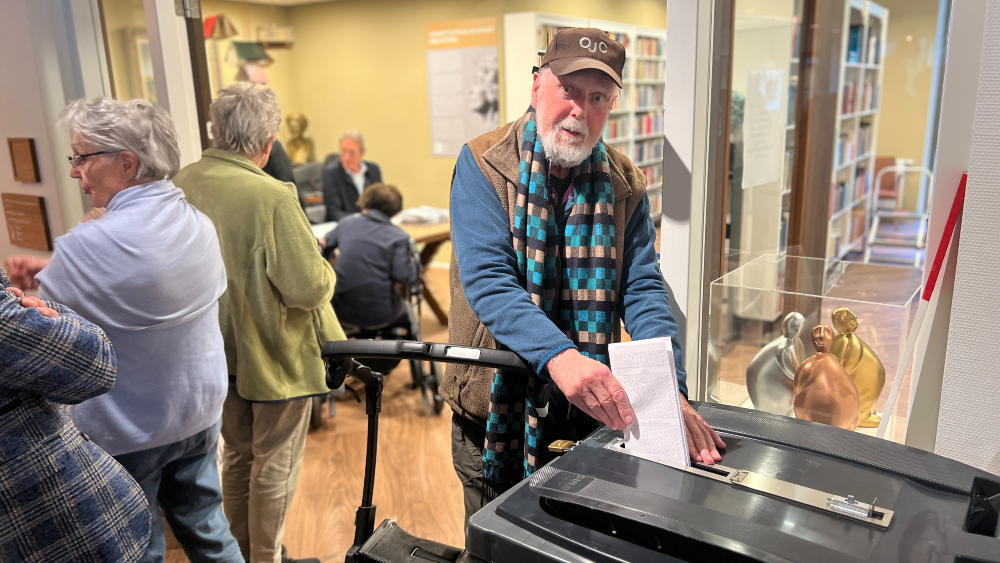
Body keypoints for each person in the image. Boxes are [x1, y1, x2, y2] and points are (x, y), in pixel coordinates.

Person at [445, 28, 726, 521]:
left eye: (598, 97)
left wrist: (668, 388)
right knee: (495, 538)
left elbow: (641, 287)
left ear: (613, 105)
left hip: (587, 414)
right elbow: (489, 279)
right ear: (537, 88)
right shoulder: (483, 163)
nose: (580, 110)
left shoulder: (625, 182)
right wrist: (561, 356)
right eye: (569, 90)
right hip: (493, 407)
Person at [5, 97, 242, 563]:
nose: (75, 172)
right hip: (198, 412)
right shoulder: (198, 225)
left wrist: (32, 291)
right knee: (210, 532)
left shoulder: (88, 244)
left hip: (130, 429)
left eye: (82, 157)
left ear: (127, 163)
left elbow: (49, 337)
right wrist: (56, 270)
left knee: (139, 546)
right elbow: (145, 280)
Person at [173, 83, 344, 563]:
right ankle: (265, 557)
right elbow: (307, 288)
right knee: (275, 462)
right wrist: (322, 263)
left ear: (217, 130)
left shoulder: (183, 182)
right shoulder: (271, 195)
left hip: (211, 349)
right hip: (274, 356)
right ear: (267, 141)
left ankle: (237, 554)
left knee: (238, 457)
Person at [0, 270, 151, 562]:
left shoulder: (78, 250)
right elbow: (95, 363)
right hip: (60, 528)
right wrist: (39, 308)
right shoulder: (197, 228)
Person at [324, 183, 420, 329]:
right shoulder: (398, 236)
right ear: (395, 210)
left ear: (365, 201)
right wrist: (415, 265)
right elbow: (404, 276)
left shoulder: (345, 224)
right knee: (402, 304)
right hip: (380, 313)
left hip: (339, 310)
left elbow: (323, 251)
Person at [322, 129, 382, 221]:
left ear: (362, 152)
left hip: (371, 224)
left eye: (352, 153)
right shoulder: (331, 174)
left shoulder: (373, 170)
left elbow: (380, 202)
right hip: (345, 226)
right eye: (343, 151)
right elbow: (333, 212)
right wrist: (360, 220)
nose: (346, 157)